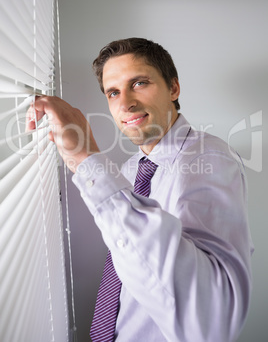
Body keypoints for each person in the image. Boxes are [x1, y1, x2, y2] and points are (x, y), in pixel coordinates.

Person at [26, 38, 253, 341]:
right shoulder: (131, 169)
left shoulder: (207, 159)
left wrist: (87, 159)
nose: (125, 103)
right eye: (113, 92)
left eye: (139, 83)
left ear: (173, 88)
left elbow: (210, 323)